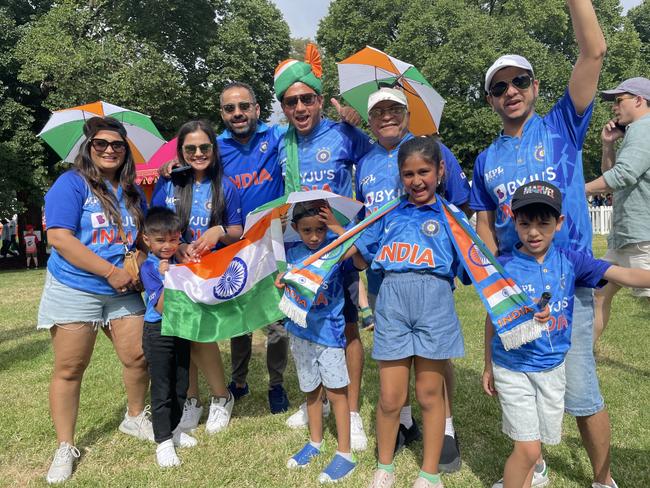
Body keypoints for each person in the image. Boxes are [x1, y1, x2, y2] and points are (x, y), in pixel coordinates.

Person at [469, 2, 613, 486]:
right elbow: (485, 223)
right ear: (490, 99)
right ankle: (536, 465)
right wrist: (492, 279)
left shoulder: (561, 127)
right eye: (499, 87)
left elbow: (594, 51)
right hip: (517, 289)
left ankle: (602, 478)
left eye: (519, 82)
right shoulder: (486, 159)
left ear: (534, 87)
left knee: (581, 391)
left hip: (569, 283)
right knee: (525, 381)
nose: (510, 92)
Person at [482, 181, 650, 488]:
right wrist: (488, 364)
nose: (534, 232)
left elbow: (623, 274)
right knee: (527, 449)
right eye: (525, 223)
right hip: (513, 368)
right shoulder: (504, 267)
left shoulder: (572, 261)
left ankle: (536, 472)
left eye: (543, 223)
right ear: (513, 220)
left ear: (559, 223)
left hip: (552, 369)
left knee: (540, 443)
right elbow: (493, 319)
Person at [355, 86, 472, 469]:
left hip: (431, 282)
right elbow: (362, 225)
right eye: (378, 112)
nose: (386, 116)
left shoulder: (432, 150)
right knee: (394, 377)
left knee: (431, 375)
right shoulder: (367, 160)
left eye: (394, 109)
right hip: (385, 280)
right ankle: (403, 427)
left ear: (407, 113)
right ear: (370, 120)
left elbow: (459, 204)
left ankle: (445, 432)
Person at [37, 116, 152, 484]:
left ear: (125, 150)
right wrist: (110, 271)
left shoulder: (133, 191)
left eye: (117, 144)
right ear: (88, 147)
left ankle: (134, 418)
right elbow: (60, 238)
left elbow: (144, 240)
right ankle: (65, 446)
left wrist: (138, 264)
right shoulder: (70, 184)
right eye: (100, 143)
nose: (109, 149)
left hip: (122, 292)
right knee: (71, 368)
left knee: (137, 357)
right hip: (75, 287)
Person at [274, 47, 373, 450]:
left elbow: (376, 166)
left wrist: (358, 122)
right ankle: (315, 398)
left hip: (341, 251)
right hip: (302, 252)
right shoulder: (282, 143)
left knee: (347, 328)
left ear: (319, 99)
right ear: (283, 106)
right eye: (291, 101)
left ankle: (349, 410)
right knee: (307, 326)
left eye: (307, 98)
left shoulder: (343, 134)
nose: (300, 106)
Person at [151, 120, 243, 435]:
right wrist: (176, 248)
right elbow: (154, 226)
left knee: (202, 335)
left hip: (209, 273)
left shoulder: (225, 186)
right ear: (180, 152)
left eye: (205, 147)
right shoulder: (170, 184)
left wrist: (218, 231)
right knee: (182, 335)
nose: (198, 153)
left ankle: (222, 396)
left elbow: (238, 230)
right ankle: (192, 400)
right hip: (175, 270)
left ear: (214, 150)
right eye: (190, 148)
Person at [276, 201, 366, 483]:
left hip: (329, 335)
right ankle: (315, 442)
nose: (314, 236)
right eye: (307, 230)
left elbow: (362, 258)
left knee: (337, 393)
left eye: (320, 229)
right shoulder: (292, 253)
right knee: (311, 391)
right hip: (301, 334)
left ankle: (345, 453)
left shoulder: (337, 250)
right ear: (295, 229)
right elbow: (281, 280)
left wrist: (338, 229)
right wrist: (280, 280)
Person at [217, 81, 291, 415]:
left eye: (243, 106)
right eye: (230, 108)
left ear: (257, 109)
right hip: (234, 245)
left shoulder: (276, 137)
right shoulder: (215, 147)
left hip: (272, 243)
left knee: (276, 320)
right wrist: (168, 166)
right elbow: (189, 162)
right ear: (222, 113)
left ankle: (276, 384)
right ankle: (240, 382)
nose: (237, 113)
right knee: (240, 319)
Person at [585, 77, 650, 343]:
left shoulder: (644, 129)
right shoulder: (636, 131)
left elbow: (622, 175)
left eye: (619, 99)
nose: (614, 107)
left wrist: (580, 190)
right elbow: (611, 176)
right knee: (599, 293)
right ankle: (584, 357)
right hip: (626, 237)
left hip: (642, 237)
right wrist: (608, 144)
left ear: (639, 100)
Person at [140, 206, 197, 467]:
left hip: (181, 329)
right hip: (158, 331)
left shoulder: (177, 262)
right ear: (147, 240)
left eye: (173, 239)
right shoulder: (150, 268)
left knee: (181, 382)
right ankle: (162, 441)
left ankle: (174, 431)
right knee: (162, 387)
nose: (168, 245)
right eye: (161, 240)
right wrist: (169, 276)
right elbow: (162, 306)